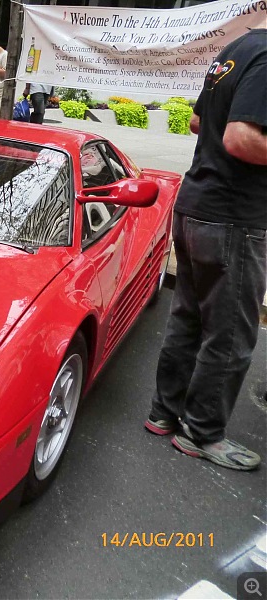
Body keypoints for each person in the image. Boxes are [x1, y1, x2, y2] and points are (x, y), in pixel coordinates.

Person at [146, 24, 267, 471]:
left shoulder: (238, 48)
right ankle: (202, 434)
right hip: (233, 218)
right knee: (231, 334)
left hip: (198, 206)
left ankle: (164, 412)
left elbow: (200, 121)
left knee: (188, 320)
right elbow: (239, 137)